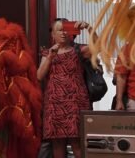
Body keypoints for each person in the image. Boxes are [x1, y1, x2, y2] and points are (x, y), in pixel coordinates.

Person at [37, 18, 93, 158]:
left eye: (66, 30)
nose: (63, 33)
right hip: (54, 103)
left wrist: (89, 28)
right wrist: (50, 57)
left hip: (76, 102)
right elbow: (39, 76)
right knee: (57, 143)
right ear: (53, 34)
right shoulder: (48, 53)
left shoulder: (78, 50)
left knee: (77, 142)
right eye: (59, 30)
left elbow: (99, 47)